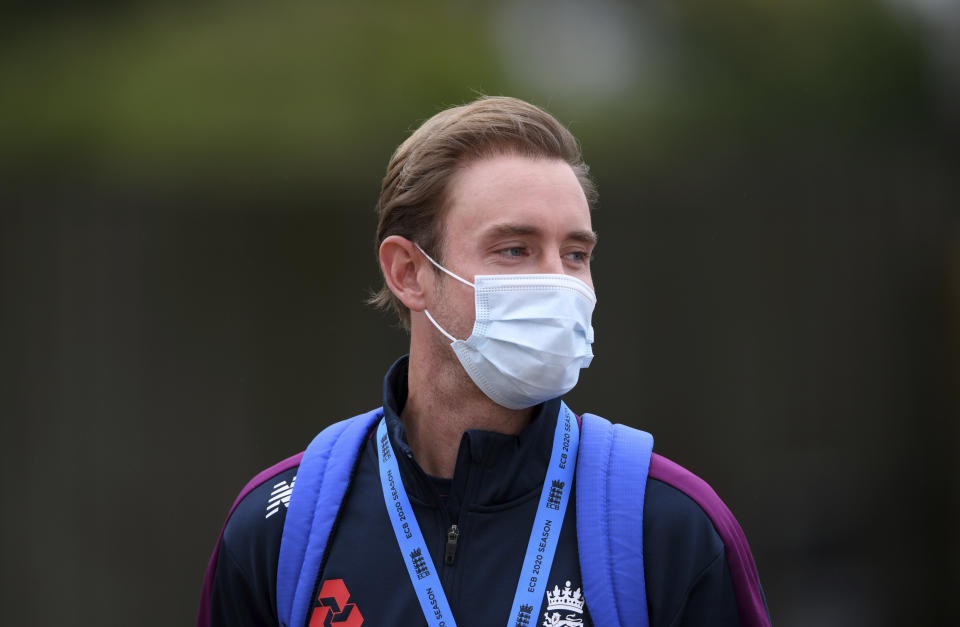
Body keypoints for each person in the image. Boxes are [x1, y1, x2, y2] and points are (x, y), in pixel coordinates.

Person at [197, 96, 770, 627]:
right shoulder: (281, 531)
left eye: (575, 253)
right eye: (515, 249)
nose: (556, 281)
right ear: (408, 273)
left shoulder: (670, 528)